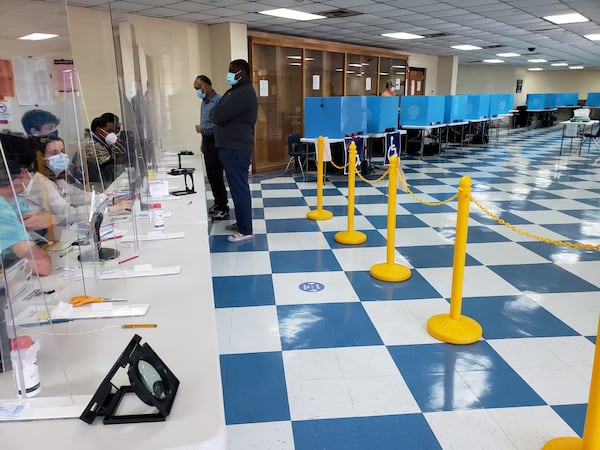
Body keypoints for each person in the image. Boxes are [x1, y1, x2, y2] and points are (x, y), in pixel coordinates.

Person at [211, 59, 258, 243]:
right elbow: (217, 112)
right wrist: (217, 113)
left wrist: (217, 113)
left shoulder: (243, 93)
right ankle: (241, 222)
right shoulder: (236, 91)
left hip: (236, 148)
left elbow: (218, 114)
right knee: (237, 187)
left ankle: (246, 230)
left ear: (242, 73)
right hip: (230, 147)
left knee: (239, 189)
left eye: (233, 71)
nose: (229, 74)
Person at [0, 163, 52, 276]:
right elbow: (41, 266)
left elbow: (39, 222)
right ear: (23, 172)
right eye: (30, 172)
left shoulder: (15, 200)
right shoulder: (2, 208)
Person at [194, 75, 228, 219]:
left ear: (207, 86)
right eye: (195, 89)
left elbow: (220, 124)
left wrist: (203, 128)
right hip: (207, 141)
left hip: (216, 141)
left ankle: (223, 206)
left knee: (216, 174)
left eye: (198, 88)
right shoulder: (203, 102)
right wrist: (202, 140)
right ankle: (217, 202)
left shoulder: (218, 101)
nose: (197, 92)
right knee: (210, 174)